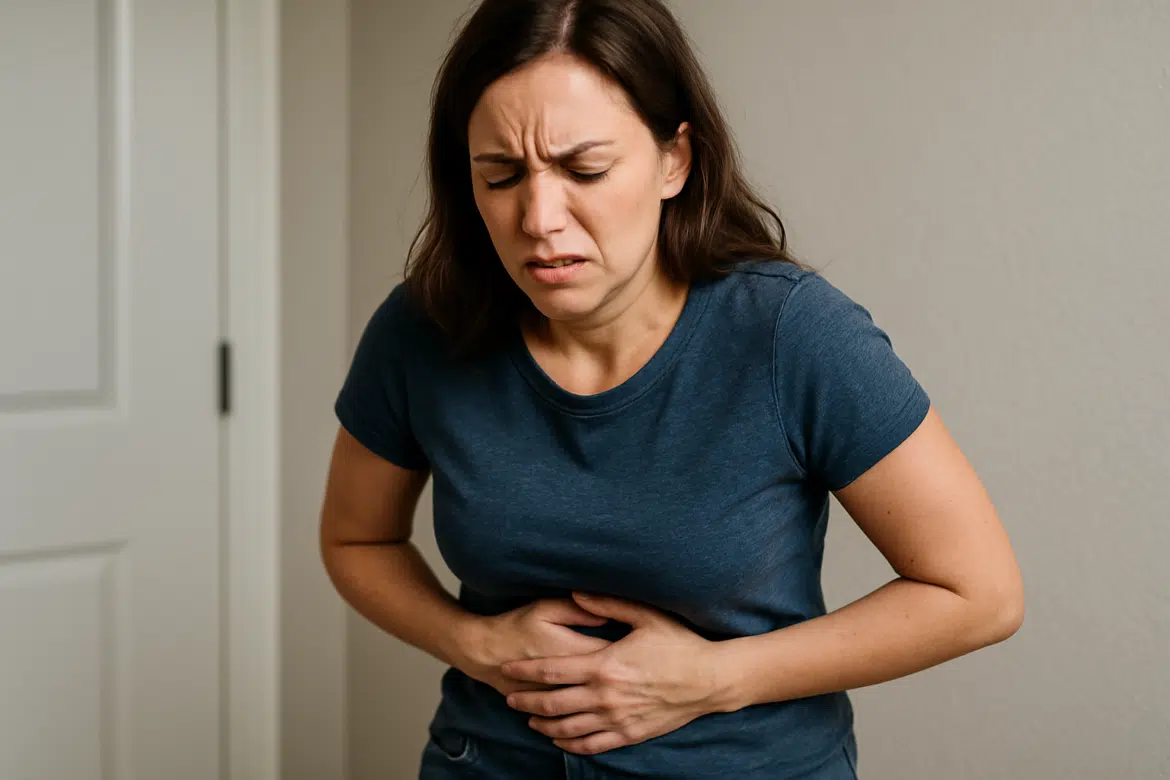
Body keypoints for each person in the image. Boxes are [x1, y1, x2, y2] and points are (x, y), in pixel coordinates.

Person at [319, 1, 1025, 778]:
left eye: (584, 170)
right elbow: (358, 539)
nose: (540, 217)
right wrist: (474, 644)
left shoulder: (789, 333)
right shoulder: (423, 328)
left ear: (673, 161)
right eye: (501, 175)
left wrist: (713, 681)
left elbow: (978, 593)